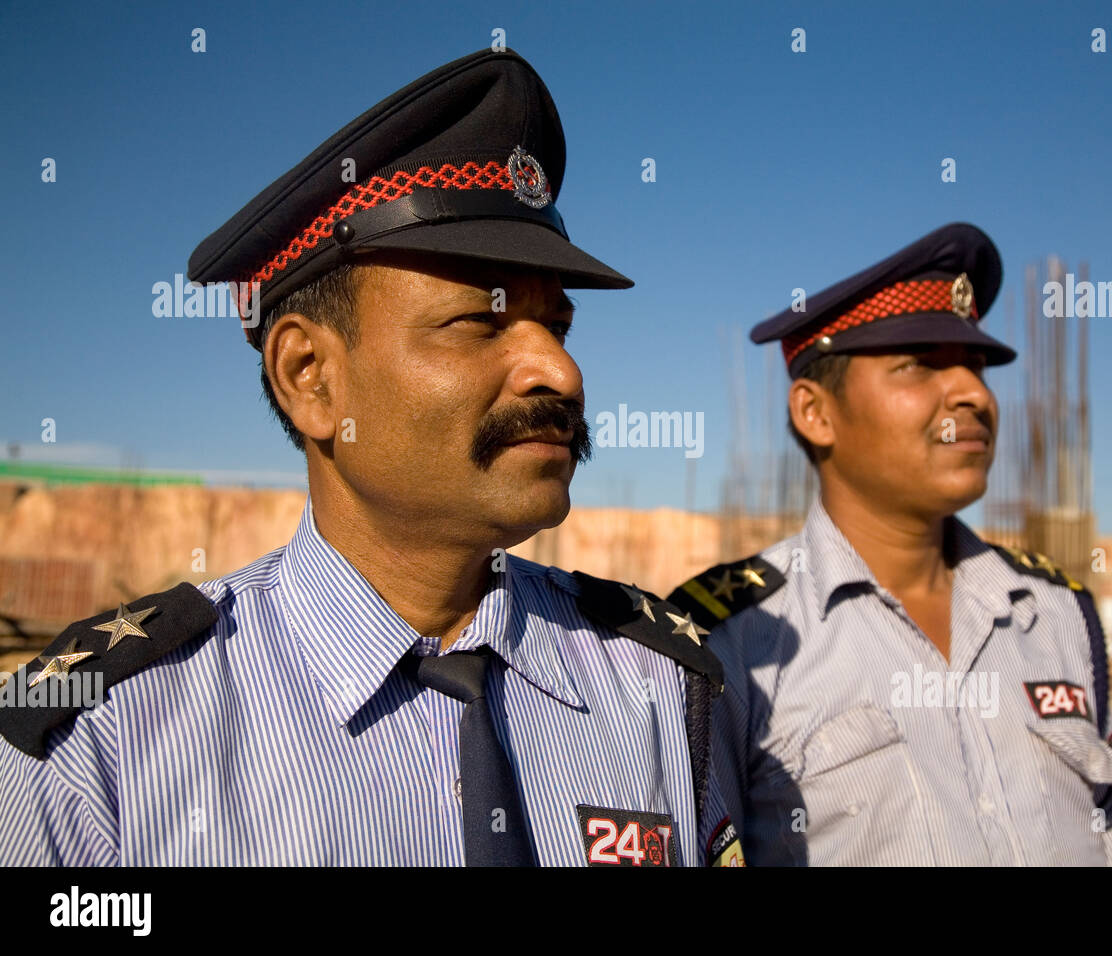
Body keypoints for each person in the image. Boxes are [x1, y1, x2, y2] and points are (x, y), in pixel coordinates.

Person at [0, 49, 741, 867]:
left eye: (557, 328)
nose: (561, 373)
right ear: (309, 378)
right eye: (480, 323)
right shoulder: (96, 747)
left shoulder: (660, 690)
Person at [670, 222, 1112, 866]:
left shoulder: (1056, 613)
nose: (974, 395)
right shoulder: (728, 642)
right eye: (920, 365)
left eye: (977, 368)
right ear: (815, 412)